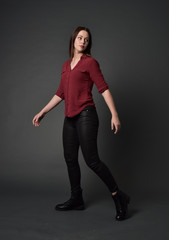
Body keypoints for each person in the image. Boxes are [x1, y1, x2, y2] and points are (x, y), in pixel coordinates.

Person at [32, 26, 130, 221]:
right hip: (70, 118)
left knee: (91, 160)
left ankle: (119, 196)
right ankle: (76, 198)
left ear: (88, 44)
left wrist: (115, 115)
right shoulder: (66, 66)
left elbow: (103, 89)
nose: (83, 41)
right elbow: (60, 93)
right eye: (80, 37)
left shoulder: (90, 63)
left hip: (86, 115)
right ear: (73, 40)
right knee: (70, 159)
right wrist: (43, 111)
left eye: (86, 39)